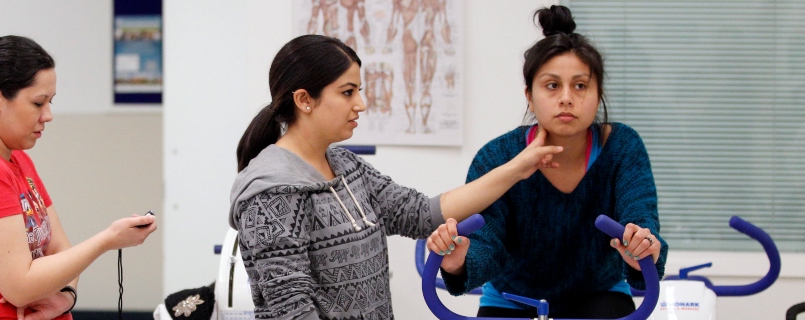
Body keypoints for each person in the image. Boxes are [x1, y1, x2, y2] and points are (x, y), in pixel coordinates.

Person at [228, 34, 564, 320]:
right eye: (347, 92)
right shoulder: (271, 194)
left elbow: (420, 213)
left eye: (359, 90)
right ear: (304, 100)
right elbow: (291, 309)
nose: (361, 103)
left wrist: (518, 168)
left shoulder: (347, 166)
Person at [426, 6, 668, 318]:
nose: (566, 98)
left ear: (598, 94)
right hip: (512, 298)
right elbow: (487, 243)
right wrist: (459, 260)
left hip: (598, 292)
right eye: (552, 85)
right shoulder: (496, 157)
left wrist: (642, 247)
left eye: (580, 85)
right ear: (529, 94)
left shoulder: (622, 146)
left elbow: (640, 217)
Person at [0, 35, 157, 320]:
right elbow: (21, 287)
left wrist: (64, 298)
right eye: (38, 103)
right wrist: (107, 240)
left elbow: (61, 251)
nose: (48, 115)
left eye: (50, 102)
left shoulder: (17, 159)